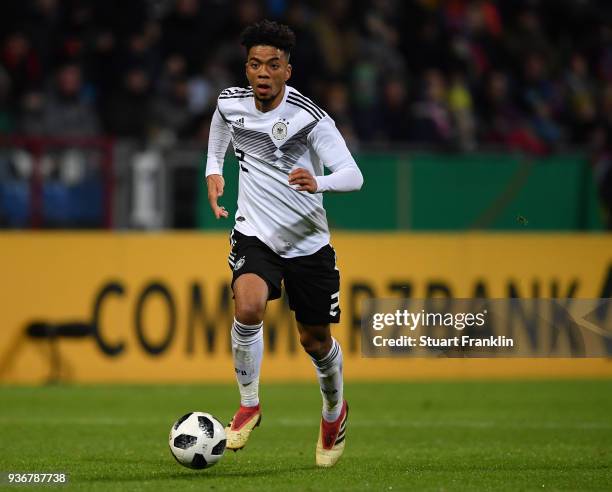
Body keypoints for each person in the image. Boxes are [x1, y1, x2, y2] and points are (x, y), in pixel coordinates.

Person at [205, 19, 363, 467]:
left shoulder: (308, 118)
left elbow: (355, 176)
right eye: (255, 64)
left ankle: (334, 412)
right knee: (248, 305)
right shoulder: (230, 103)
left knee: (314, 341)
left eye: (273, 65)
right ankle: (249, 404)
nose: (263, 73)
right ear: (247, 67)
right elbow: (219, 127)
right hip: (255, 233)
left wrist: (321, 182)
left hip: (308, 245)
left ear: (287, 71)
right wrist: (213, 170)